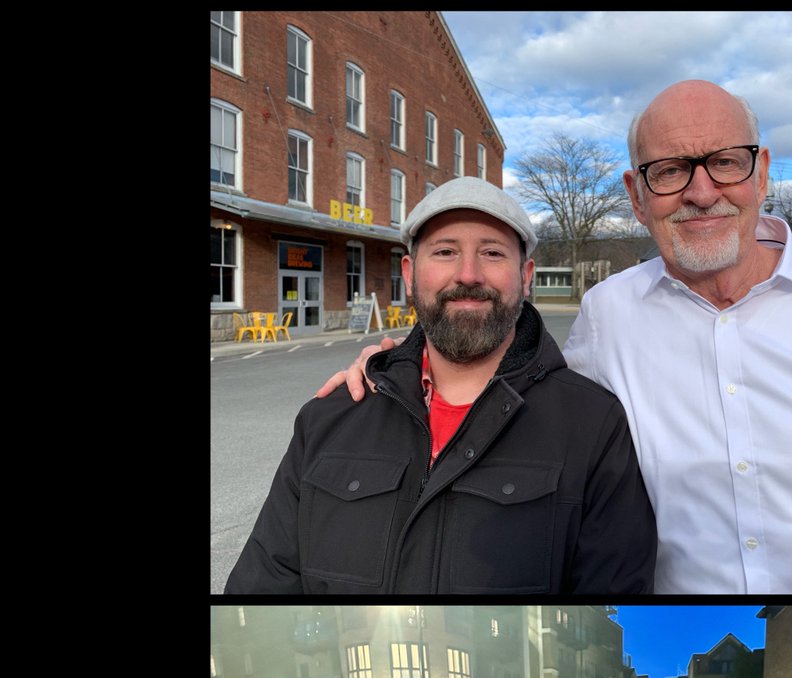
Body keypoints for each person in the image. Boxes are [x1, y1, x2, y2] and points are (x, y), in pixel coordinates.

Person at [318, 80, 792, 594]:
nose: (700, 192)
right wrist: (397, 367)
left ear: (762, 172)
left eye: (725, 162)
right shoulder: (610, 316)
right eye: (669, 171)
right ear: (638, 195)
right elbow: (518, 399)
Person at [224, 176, 656, 594]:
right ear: (410, 273)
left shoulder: (593, 426)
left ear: (525, 276)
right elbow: (264, 583)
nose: (468, 274)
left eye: (491, 253)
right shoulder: (330, 418)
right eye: (445, 251)